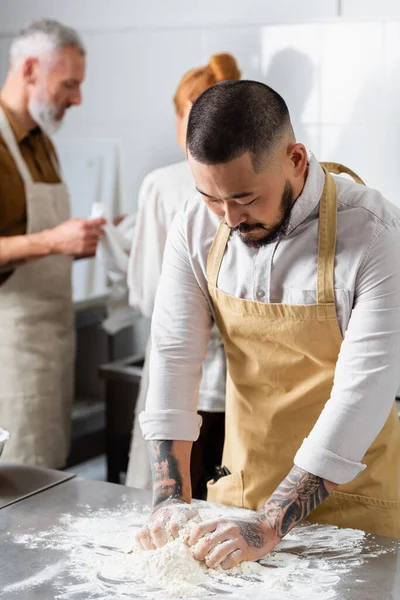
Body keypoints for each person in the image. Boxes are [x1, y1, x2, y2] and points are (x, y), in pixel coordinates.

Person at [136, 80, 400, 565]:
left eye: (245, 198)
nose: (230, 219)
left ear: (295, 159)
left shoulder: (374, 232)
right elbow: (174, 355)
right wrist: (169, 497)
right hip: (240, 498)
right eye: (212, 198)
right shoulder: (197, 223)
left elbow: (363, 393)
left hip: (357, 509)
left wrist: (272, 522)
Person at [126, 54, 241, 497]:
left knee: (179, 501)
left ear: (183, 118)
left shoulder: (163, 185)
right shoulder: (263, 185)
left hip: (182, 388)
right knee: (235, 505)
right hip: (241, 388)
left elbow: (148, 295)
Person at [0, 20, 105, 468]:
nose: (77, 99)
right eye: (70, 84)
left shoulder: (43, 142)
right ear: (29, 70)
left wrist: (80, 239)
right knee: (19, 486)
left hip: (51, 341)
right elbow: (38, 240)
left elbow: (38, 239)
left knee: (46, 472)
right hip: (11, 342)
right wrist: (52, 239)